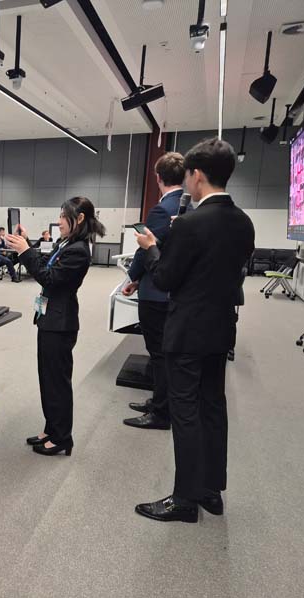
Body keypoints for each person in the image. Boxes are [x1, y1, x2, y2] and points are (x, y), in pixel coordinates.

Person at [133, 138, 255, 523]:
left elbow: (165, 278)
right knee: (213, 407)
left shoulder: (189, 224)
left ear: (197, 175)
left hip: (187, 332)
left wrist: (152, 248)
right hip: (220, 329)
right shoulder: (243, 222)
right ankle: (210, 490)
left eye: (187, 176)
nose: (186, 183)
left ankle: (184, 499)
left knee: (185, 412)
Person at [5, 197, 105, 456]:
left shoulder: (79, 250)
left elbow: (48, 277)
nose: (59, 221)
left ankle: (62, 437)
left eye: (63, 216)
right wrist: (28, 244)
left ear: (79, 218)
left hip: (60, 323)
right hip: (50, 319)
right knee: (47, 378)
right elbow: (46, 263)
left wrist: (25, 252)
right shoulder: (67, 243)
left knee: (57, 381)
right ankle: (52, 428)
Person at [121, 152, 185, 430]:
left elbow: (147, 248)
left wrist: (133, 276)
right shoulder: (188, 205)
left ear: (158, 178)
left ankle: (161, 413)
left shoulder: (162, 209)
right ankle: (160, 401)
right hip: (174, 290)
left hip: (156, 292)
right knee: (164, 354)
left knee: (158, 354)